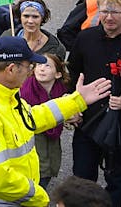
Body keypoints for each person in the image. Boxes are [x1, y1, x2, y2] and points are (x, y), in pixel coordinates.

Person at [0, 36, 112, 207]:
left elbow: (31, 118)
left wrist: (77, 100)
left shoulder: (4, 93)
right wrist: (39, 198)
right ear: (11, 69)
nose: (31, 72)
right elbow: (1, 180)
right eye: (29, 67)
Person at [67, 0, 121, 207]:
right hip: (89, 122)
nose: (109, 17)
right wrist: (71, 107)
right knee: (82, 179)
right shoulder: (85, 38)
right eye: (104, 11)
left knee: (118, 181)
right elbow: (72, 75)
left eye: (115, 12)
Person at [19, 53, 71, 189]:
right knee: (37, 169)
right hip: (33, 137)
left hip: (52, 138)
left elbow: (66, 111)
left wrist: (72, 117)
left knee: (50, 164)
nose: (42, 69)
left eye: (47, 66)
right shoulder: (26, 90)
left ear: (58, 74)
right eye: (39, 65)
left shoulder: (60, 91)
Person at [2, 0, 66, 59]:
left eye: (35, 17)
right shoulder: (6, 37)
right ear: (20, 17)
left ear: (42, 18)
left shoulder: (56, 49)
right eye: (26, 16)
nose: (30, 21)